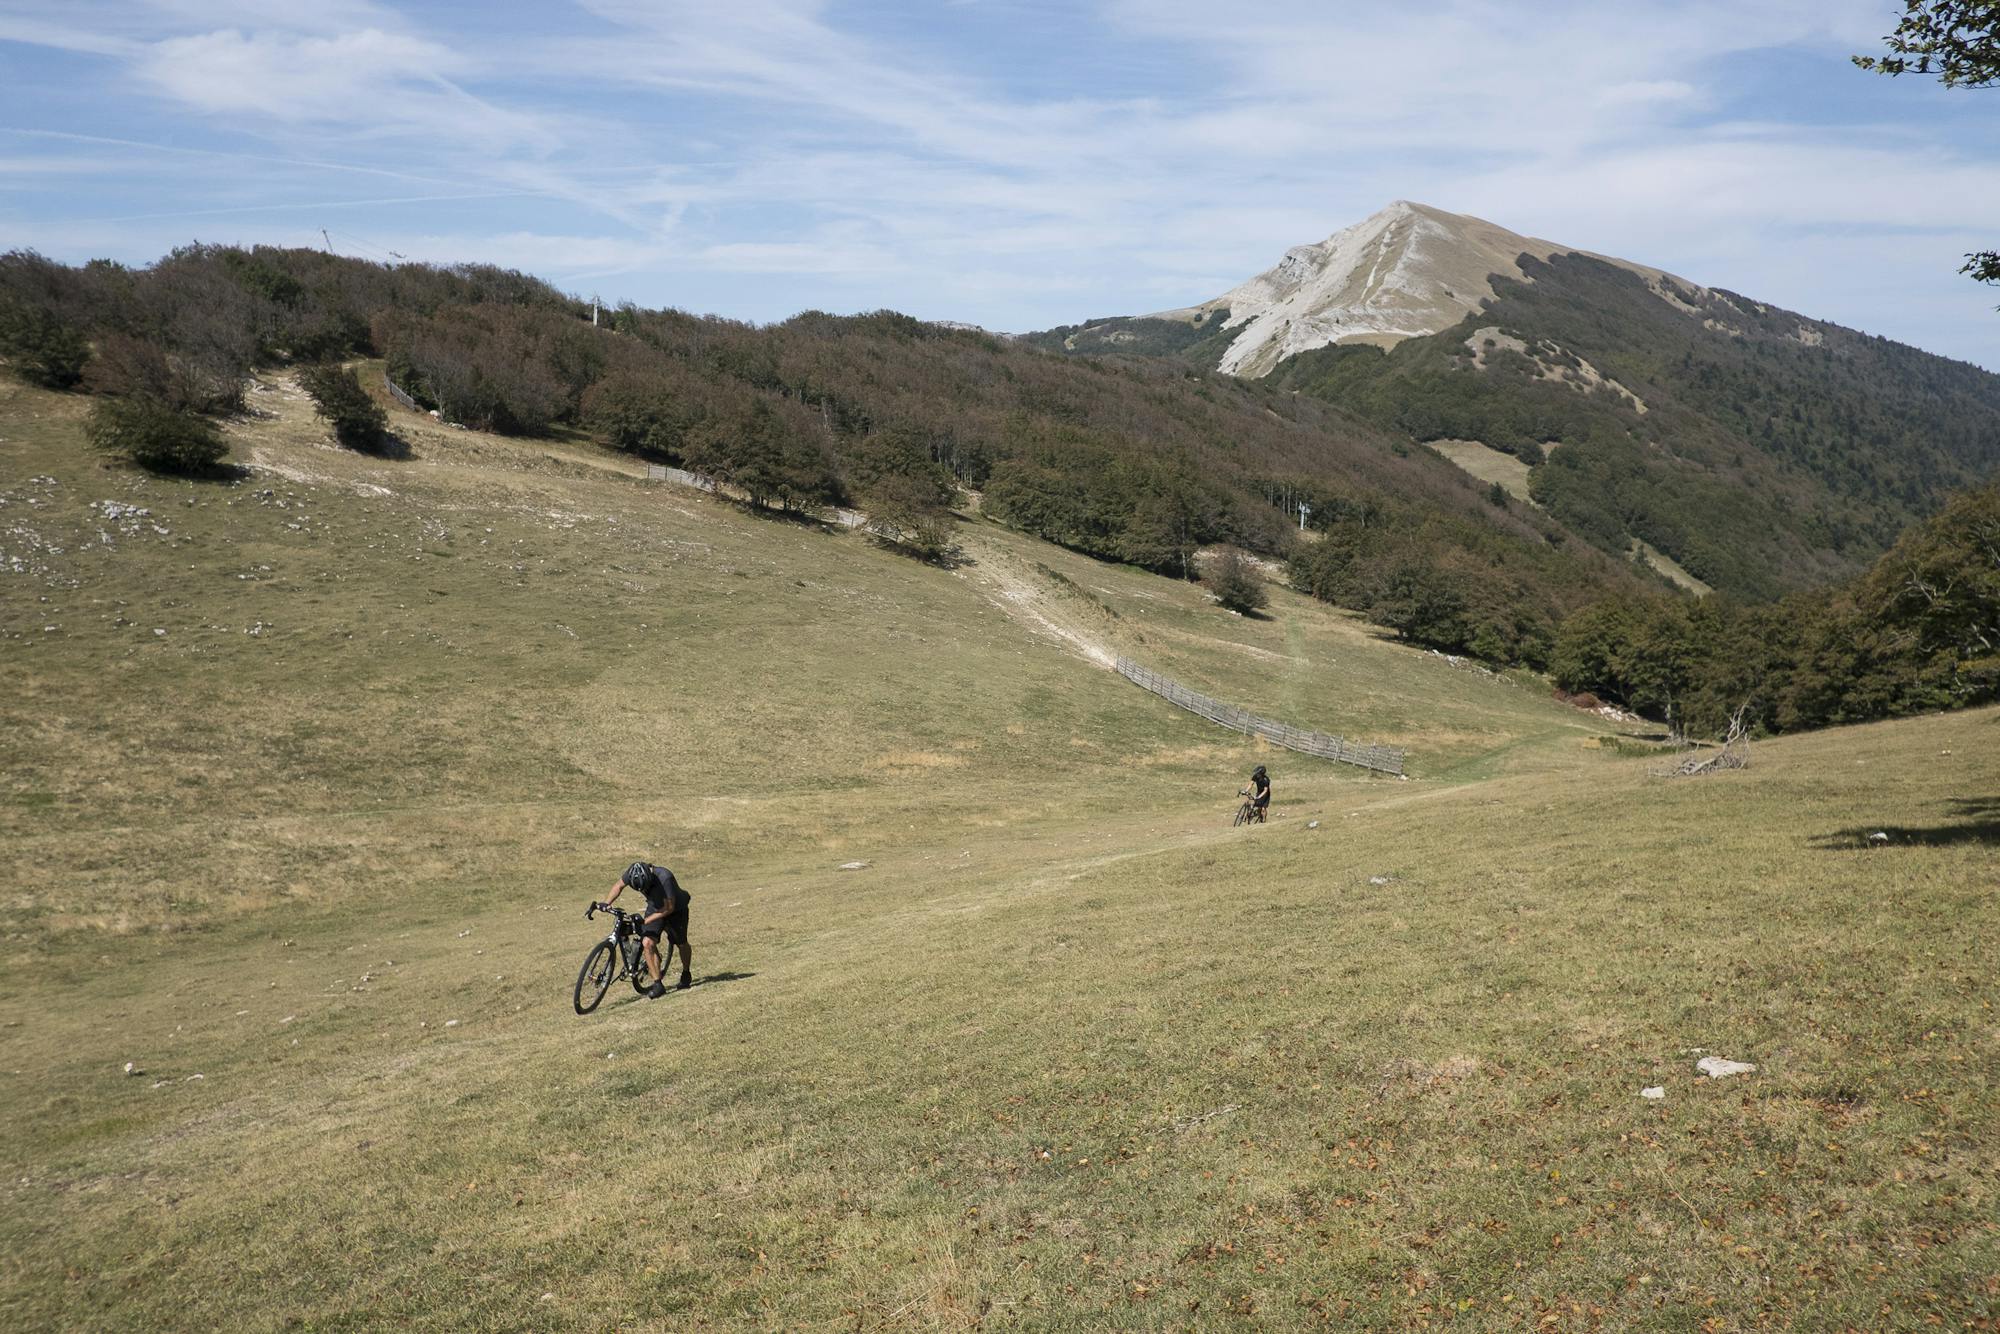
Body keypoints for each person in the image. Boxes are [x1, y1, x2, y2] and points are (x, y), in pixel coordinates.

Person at [598, 860, 692, 997]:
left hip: (676, 908)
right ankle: (658, 984)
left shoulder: (665, 877)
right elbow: (619, 885)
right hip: (655, 906)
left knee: (681, 943)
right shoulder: (632, 873)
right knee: (647, 943)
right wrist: (607, 903)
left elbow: (669, 908)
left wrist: (645, 920)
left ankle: (686, 972)